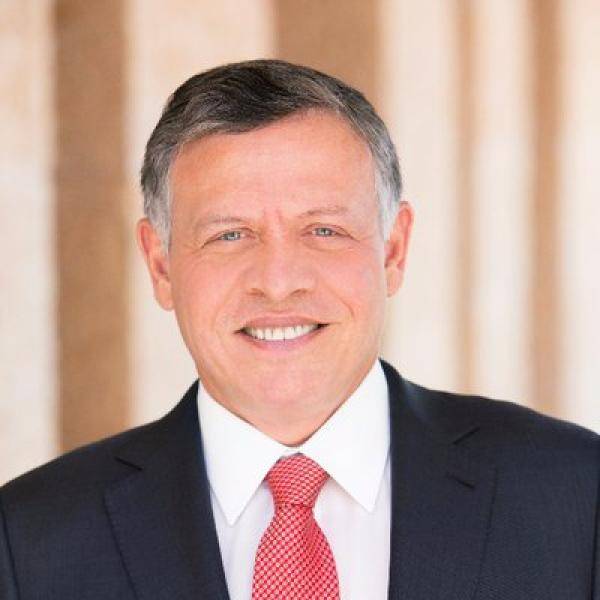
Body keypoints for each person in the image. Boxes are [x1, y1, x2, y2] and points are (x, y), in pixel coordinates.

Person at [1, 59, 598, 600]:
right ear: (161, 266)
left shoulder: (578, 496)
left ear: (393, 250)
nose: (279, 282)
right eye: (230, 235)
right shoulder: (29, 540)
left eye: (323, 230)